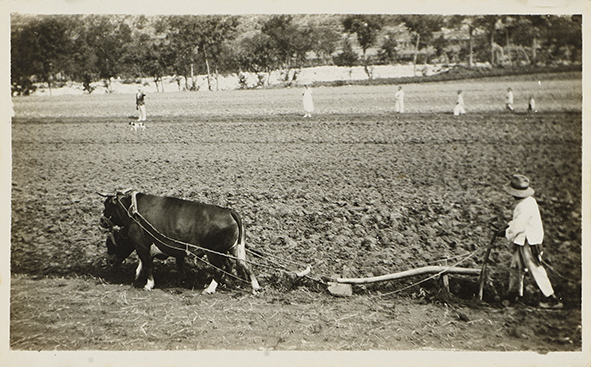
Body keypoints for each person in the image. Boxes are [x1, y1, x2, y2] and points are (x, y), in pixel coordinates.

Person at [495, 174, 562, 309]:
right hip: (522, 240)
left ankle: (550, 298)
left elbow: (519, 226)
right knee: (515, 267)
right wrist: (509, 226)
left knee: (534, 268)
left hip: (530, 241)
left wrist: (506, 232)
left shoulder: (524, 205)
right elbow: (519, 222)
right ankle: (513, 294)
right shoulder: (527, 202)